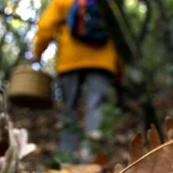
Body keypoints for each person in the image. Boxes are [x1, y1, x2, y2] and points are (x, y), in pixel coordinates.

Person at [32, 0, 122, 162]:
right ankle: (92, 158)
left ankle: (68, 160)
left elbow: (46, 26)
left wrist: (38, 51)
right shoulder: (108, 4)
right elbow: (118, 34)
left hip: (70, 61)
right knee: (97, 107)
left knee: (69, 109)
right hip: (102, 62)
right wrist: (119, 67)